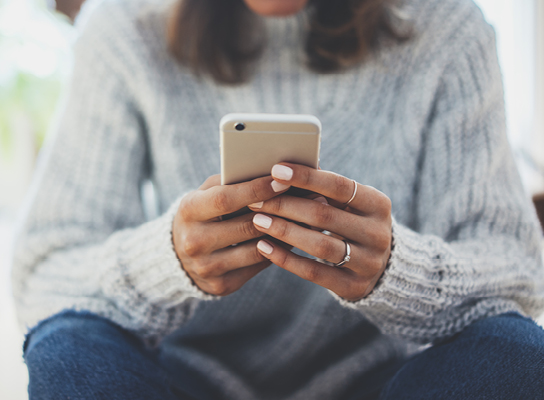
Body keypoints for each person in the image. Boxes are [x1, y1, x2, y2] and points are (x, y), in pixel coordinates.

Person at [12, 0, 544, 398]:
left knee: (514, 353)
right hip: (184, 381)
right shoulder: (124, 26)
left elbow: (516, 274)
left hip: (380, 382)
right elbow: (44, 276)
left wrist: (396, 272)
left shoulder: (445, 26)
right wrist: (166, 261)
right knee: (67, 350)